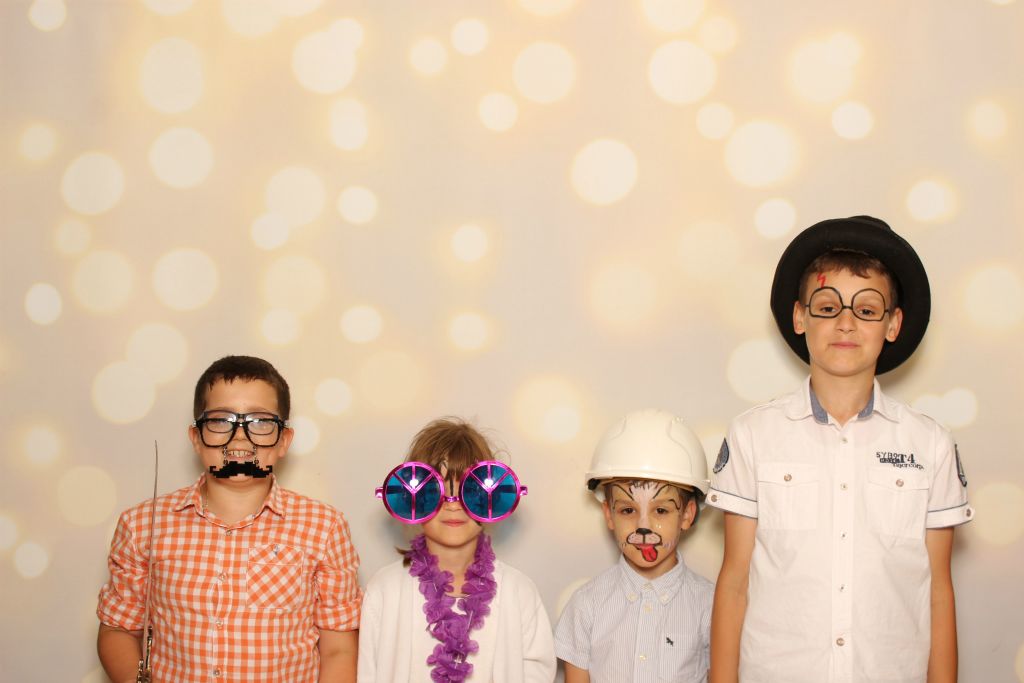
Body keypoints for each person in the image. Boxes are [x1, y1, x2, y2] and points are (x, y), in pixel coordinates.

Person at [708, 216, 974, 683]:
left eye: (867, 309)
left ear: (893, 324)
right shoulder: (754, 435)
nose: (846, 322)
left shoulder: (929, 444)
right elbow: (734, 582)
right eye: (828, 306)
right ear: (799, 317)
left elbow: (938, 591)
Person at [96, 355, 360, 683]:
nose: (239, 438)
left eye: (260, 422)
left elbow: (339, 649)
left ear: (283, 441)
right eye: (221, 421)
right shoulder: (141, 525)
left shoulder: (324, 527)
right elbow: (118, 629)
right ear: (196, 437)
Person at [358, 417, 556, 682]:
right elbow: (368, 672)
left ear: (492, 496)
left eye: (470, 490)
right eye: (435, 490)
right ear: (412, 497)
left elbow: (538, 673)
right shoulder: (384, 589)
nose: (453, 504)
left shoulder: (519, 592)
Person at [555, 408, 713, 682]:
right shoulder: (586, 605)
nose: (643, 526)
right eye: (628, 510)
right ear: (609, 514)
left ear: (687, 515)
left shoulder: (710, 605)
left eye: (661, 511)